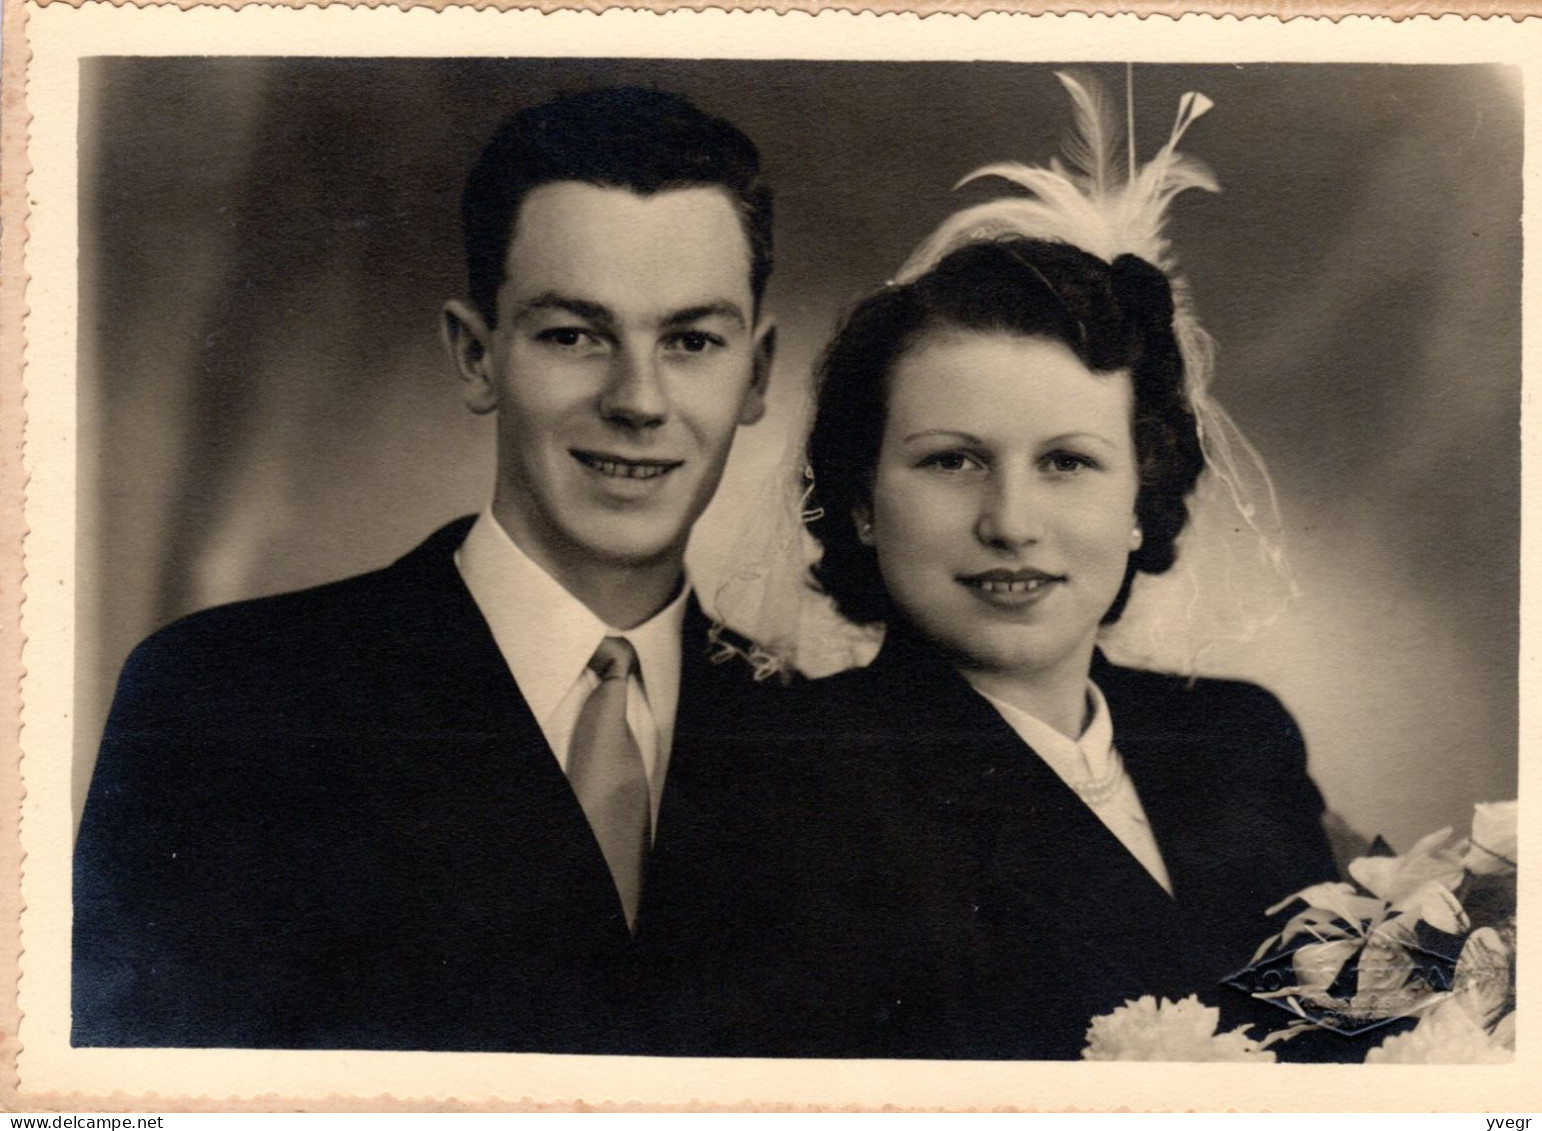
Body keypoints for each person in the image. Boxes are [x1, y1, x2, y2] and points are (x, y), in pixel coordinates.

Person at [72, 86, 779, 1053]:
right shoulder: (221, 698)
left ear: (759, 373)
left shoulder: (821, 731)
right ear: (475, 357)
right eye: (573, 335)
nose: (639, 400)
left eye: (692, 341)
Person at [673, 75, 1340, 1060]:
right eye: (951, 461)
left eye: (1068, 463)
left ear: (1138, 499)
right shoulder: (785, 777)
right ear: (860, 500)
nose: (1011, 522)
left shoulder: (1240, 742)